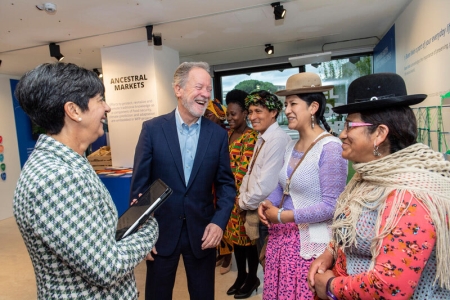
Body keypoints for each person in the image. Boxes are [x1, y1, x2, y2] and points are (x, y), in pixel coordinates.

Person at [13, 62, 159, 299]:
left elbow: (94, 238)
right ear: (74, 110)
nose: (107, 108)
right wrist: (150, 227)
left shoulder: (67, 163)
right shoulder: (55, 179)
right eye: (100, 99)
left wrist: (133, 223)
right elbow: (107, 268)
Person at [308, 73, 450, 299]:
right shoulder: (367, 177)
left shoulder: (410, 194)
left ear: (380, 133)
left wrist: (331, 287)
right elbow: (350, 230)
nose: (342, 134)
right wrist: (330, 253)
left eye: (350, 125)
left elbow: (390, 287)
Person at [129, 61, 235, 300]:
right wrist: (141, 234)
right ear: (178, 89)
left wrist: (219, 222)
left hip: (203, 233)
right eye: (199, 87)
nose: (206, 94)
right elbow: (140, 185)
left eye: (209, 89)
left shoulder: (217, 135)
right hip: (160, 233)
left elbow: (226, 186)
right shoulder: (152, 129)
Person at [257, 72, 348, 300]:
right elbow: (283, 185)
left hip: (308, 249)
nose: (287, 110)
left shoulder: (331, 148)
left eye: (293, 103)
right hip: (282, 243)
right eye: (286, 104)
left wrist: (284, 216)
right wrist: (267, 202)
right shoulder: (292, 146)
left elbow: (331, 207)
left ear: (313, 107)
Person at [238, 90, 291, 298]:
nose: (252, 117)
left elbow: (265, 186)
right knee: (266, 263)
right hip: (257, 209)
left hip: (267, 211)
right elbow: (249, 174)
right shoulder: (263, 138)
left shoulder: (277, 139)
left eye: (258, 111)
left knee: (271, 266)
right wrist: (242, 196)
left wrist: (242, 202)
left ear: (274, 112)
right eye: (250, 111)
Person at [220, 89, 259, 296]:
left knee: (248, 241)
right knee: (236, 241)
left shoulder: (251, 137)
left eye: (234, 114)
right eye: (228, 114)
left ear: (245, 113)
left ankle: (252, 277)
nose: (230, 118)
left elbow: (243, 171)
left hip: (243, 198)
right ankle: (241, 275)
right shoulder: (226, 135)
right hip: (228, 198)